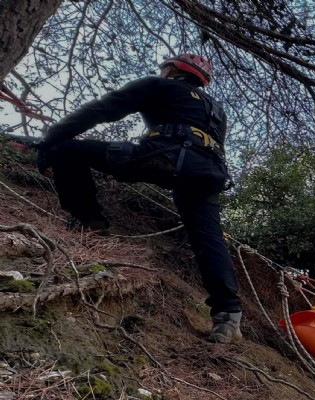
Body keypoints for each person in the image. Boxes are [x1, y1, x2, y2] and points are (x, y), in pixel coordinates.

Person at [34, 54, 242, 344]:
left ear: (172, 70)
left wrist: (50, 139)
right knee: (209, 239)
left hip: (163, 157)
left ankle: (90, 220)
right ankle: (228, 315)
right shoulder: (217, 110)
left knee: (66, 149)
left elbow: (101, 110)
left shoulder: (158, 85)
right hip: (209, 173)